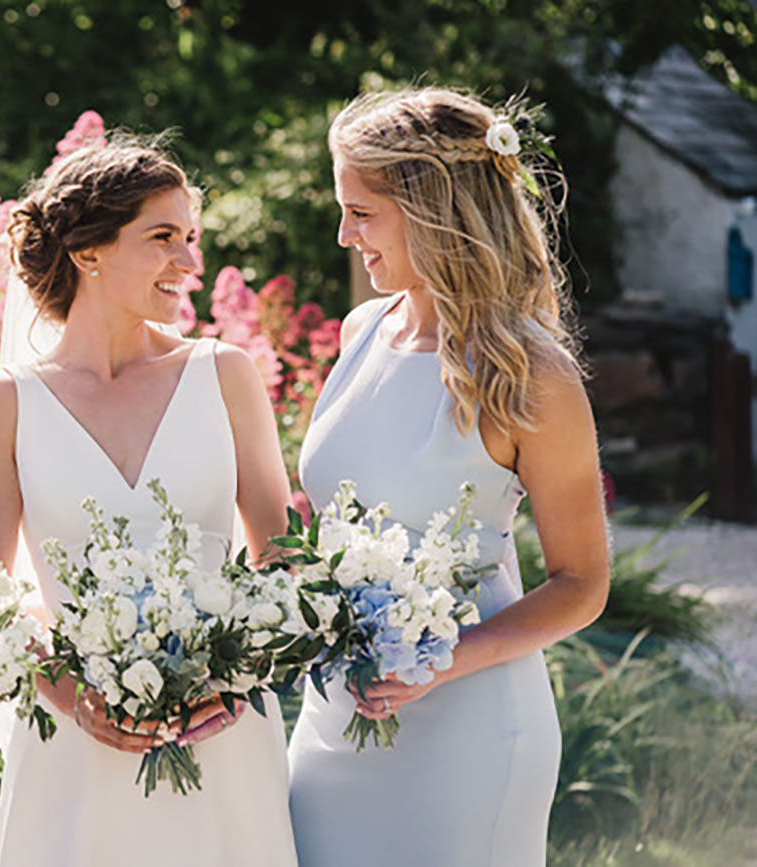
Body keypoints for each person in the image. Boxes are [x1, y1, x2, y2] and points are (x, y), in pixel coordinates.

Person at [287, 88, 610, 866]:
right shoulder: (363, 329)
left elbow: (582, 582)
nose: (343, 235)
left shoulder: (531, 373)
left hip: (468, 728)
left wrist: (437, 661)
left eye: (361, 213)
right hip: (333, 717)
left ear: (434, 209)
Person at [0, 139, 299, 867]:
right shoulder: (3, 404)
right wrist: (72, 692)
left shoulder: (225, 375)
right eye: (162, 239)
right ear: (88, 252)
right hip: (70, 746)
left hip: (220, 732)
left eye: (191, 239)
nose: (187, 262)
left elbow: (280, 556)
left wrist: (234, 677)